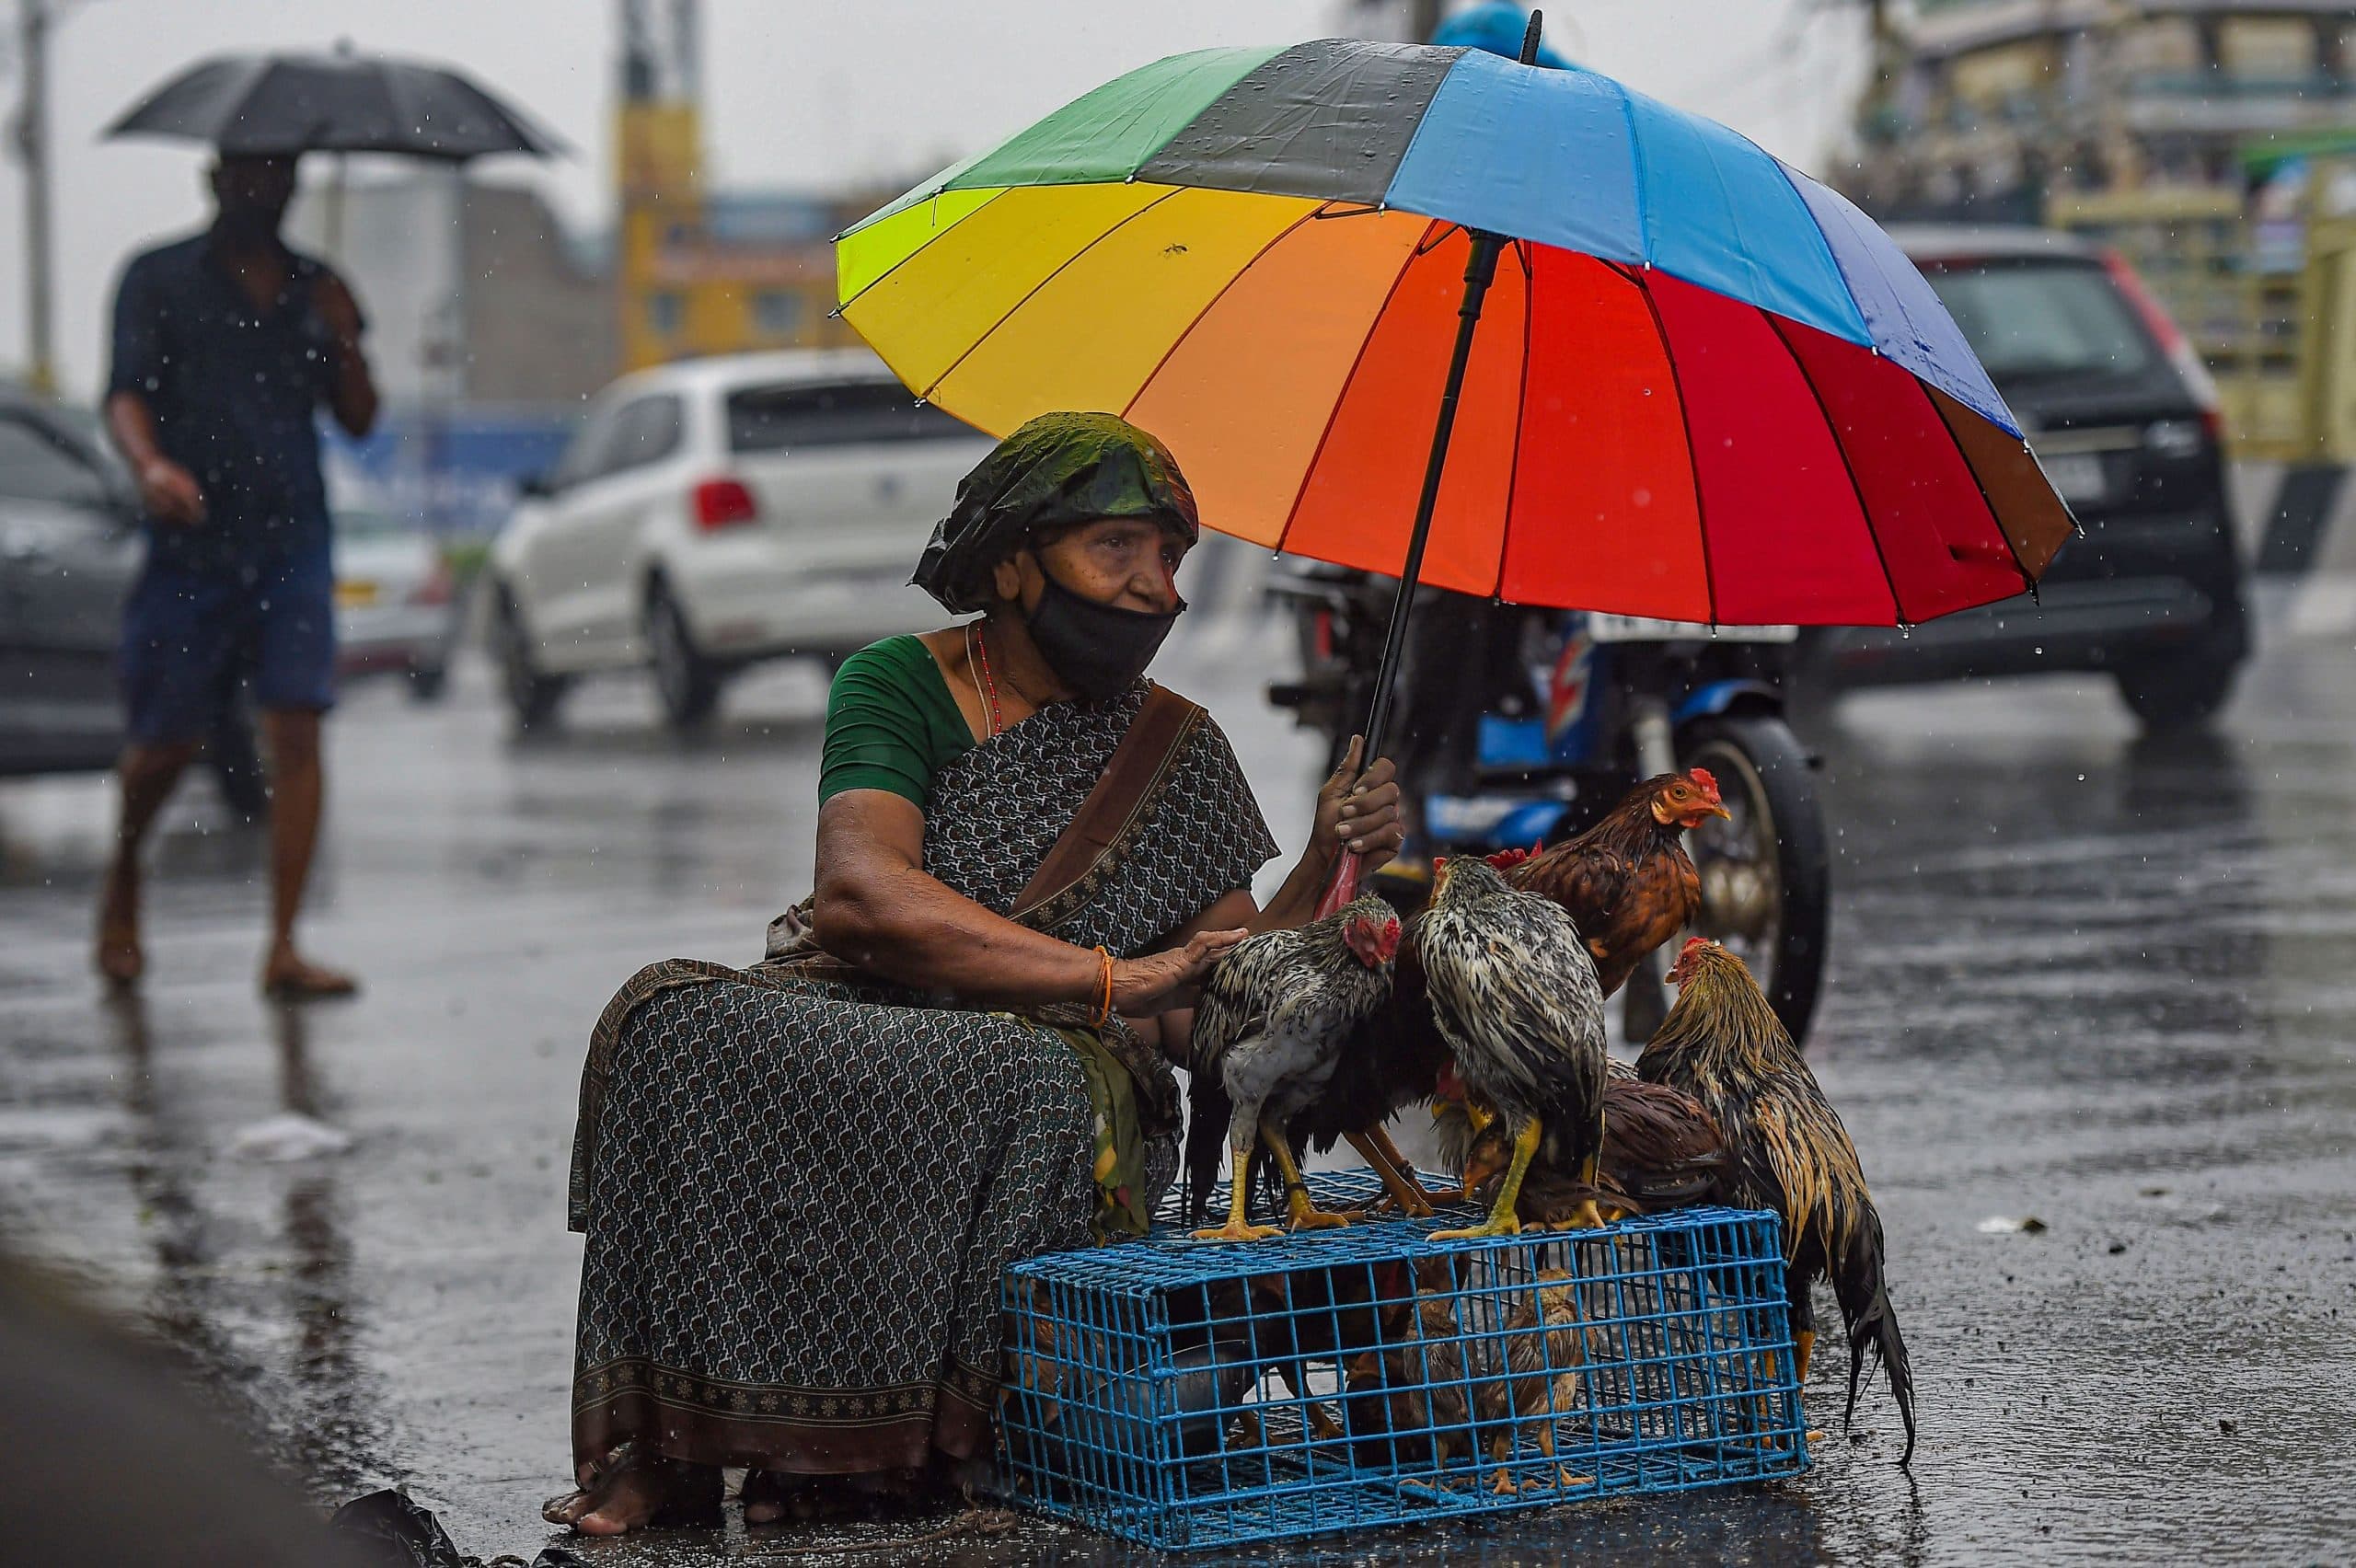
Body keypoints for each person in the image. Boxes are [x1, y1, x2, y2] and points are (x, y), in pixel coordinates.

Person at [548, 413, 1404, 1535]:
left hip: (1050, 1065)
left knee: (1018, 1074)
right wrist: (1112, 977)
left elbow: (1217, 1015)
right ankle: (673, 1447)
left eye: (1171, 557)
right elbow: (862, 893)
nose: (1154, 588)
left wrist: (1326, 864)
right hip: (859, 1005)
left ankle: (923, 1447)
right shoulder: (895, 682)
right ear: (1010, 562)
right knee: (666, 1019)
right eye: (1115, 548)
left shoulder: (1179, 747)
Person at [96, 154, 379, 997]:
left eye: (280, 176)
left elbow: (360, 419)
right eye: (251, 174)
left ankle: (285, 944)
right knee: (164, 745)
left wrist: (346, 337)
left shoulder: (318, 288)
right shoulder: (158, 278)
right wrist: (150, 465)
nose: (266, 191)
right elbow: (124, 393)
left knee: (297, 728)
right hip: (192, 545)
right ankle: (124, 876)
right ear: (216, 179)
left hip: (293, 540)